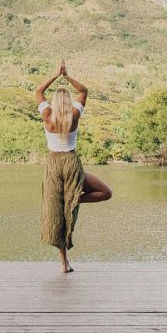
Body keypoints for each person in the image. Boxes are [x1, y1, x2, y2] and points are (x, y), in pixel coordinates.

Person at [35, 60, 112, 273]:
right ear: (67, 101)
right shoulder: (74, 115)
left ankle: (63, 263)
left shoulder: (47, 115)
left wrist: (54, 75)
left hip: (53, 165)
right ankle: (73, 199)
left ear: (54, 101)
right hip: (70, 163)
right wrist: (66, 76)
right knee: (106, 193)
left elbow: (39, 91)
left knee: (57, 213)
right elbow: (84, 91)